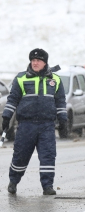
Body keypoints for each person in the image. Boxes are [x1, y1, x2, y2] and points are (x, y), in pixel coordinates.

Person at [2, 48, 67, 195]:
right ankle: (13, 181)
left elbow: (61, 102)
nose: (35, 62)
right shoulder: (21, 78)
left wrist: (63, 120)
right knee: (20, 156)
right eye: (33, 60)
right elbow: (12, 99)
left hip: (47, 125)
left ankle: (47, 186)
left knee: (48, 155)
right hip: (26, 125)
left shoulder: (55, 80)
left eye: (38, 60)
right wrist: (6, 116)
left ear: (45, 62)